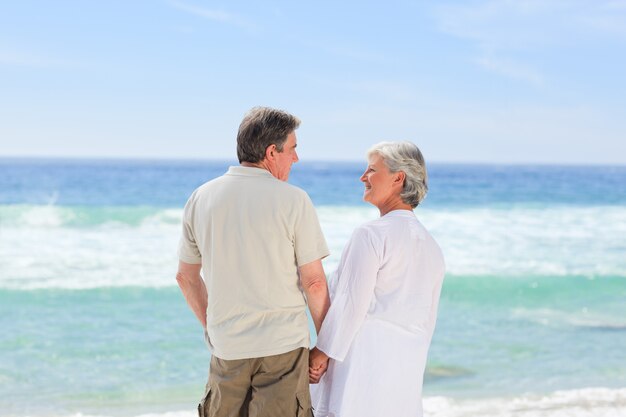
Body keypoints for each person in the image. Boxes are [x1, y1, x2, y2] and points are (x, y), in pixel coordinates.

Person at [176, 106, 330, 417]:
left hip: (227, 349)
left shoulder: (201, 198)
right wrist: (325, 346)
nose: (296, 159)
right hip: (283, 350)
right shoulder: (294, 200)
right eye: (293, 149)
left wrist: (214, 326)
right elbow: (313, 282)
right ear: (272, 152)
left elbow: (186, 277)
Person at [308, 141, 445, 417]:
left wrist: (320, 353)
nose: (362, 177)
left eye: (371, 170)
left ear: (398, 178)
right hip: (403, 376)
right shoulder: (432, 247)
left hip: (360, 371)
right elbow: (426, 322)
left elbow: (351, 304)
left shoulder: (371, 234)